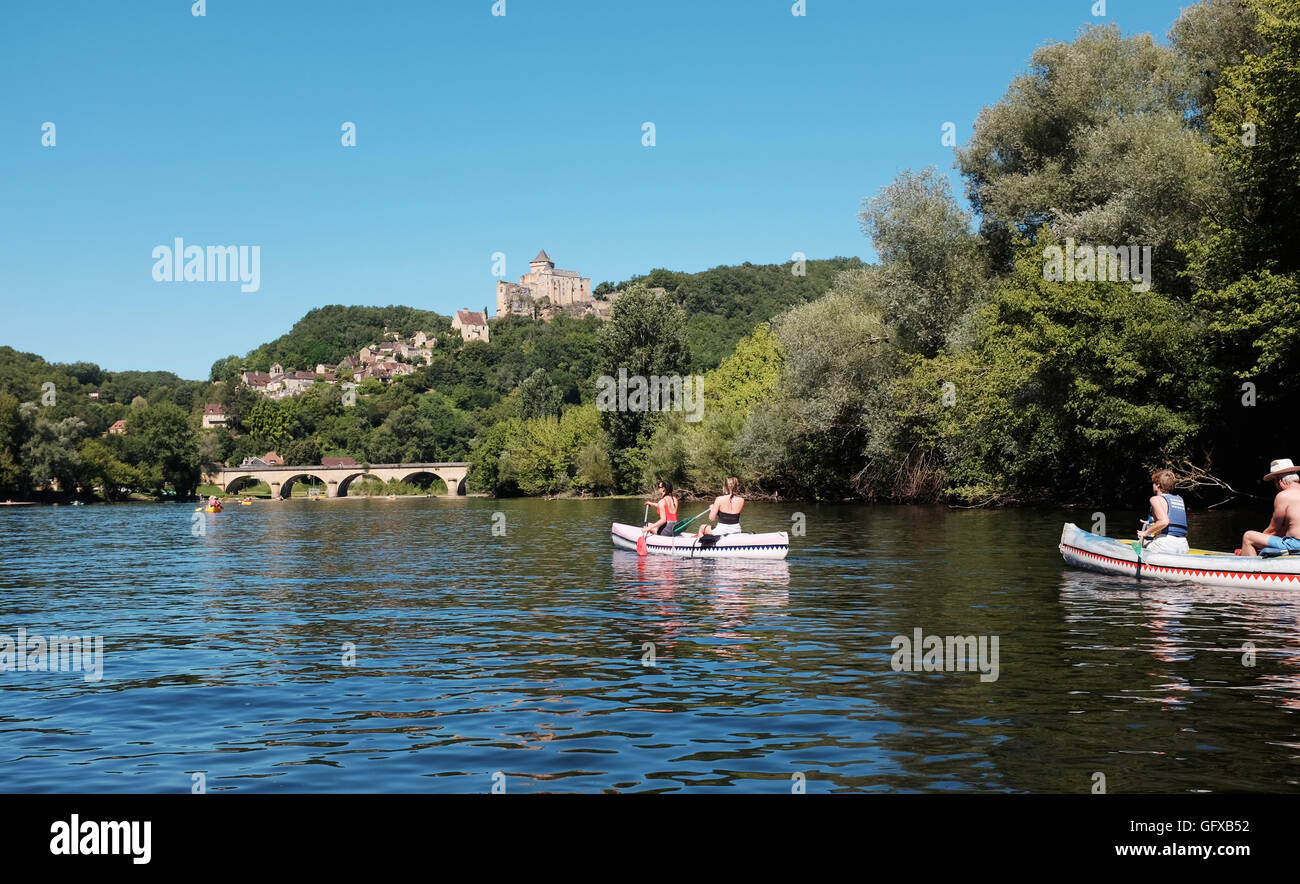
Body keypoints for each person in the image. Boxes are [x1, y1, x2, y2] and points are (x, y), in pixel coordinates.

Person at [1239, 459, 1300, 556]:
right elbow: (1283, 530)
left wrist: (1253, 544)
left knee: (1248, 536)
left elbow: (1273, 530)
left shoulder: (1284, 496)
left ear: (1279, 480)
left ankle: (1251, 569)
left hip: (1296, 545)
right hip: (1294, 543)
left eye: (1274, 481)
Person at [1137, 469, 1189, 554]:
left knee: (1141, 542)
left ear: (1158, 485)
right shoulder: (1179, 499)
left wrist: (1145, 532)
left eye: (1154, 483)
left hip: (1165, 544)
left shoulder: (1155, 499)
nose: (1153, 485)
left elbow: (1164, 522)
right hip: (1183, 546)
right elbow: (1171, 518)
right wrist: (1151, 522)